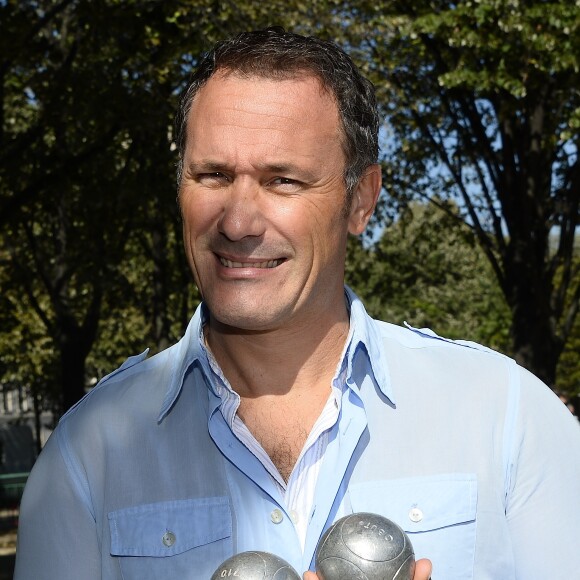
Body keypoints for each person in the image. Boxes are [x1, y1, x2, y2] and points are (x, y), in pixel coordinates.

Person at [14, 28, 580, 580]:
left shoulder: (508, 418)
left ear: (360, 202)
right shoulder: (85, 456)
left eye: (282, 180)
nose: (237, 222)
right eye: (212, 175)